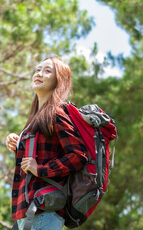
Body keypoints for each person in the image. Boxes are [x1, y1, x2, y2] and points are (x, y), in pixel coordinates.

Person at [6, 56, 88, 230]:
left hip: (44, 212)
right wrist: (18, 142)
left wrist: (40, 169)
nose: (39, 73)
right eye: (37, 69)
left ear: (59, 80)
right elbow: (41, 155)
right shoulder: (36, 119)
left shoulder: (56, 113)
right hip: (28, 213)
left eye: (47, 71)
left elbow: (78, 156)